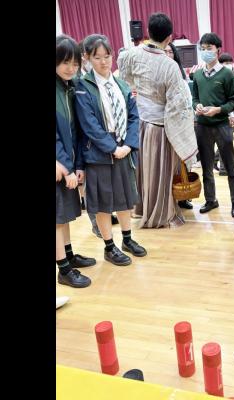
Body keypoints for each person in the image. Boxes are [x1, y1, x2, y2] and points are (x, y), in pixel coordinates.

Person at [119, 14, 199, 228]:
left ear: (148, 32)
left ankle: (143, 208)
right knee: (161, 172)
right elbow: (177, 104)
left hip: (140, 123)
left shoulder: (130, 55)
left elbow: (125, 80)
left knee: (145, 169)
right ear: (169, 37)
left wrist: (140, 92)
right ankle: (159, 212)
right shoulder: (170, 65)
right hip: (161, 127)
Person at [75, 34, 147, 265]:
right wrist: (112, 148)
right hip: (99, 153)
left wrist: (128, 145)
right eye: (97, 57)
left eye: (107, 56)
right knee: (103, 202)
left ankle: (127, 239)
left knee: (125, 198)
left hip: (123, 147)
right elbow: (89, 125)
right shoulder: (83, 87)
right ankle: (109, 246)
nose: (104, 62)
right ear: (87, 58)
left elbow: (134, 116)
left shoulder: (121, 84)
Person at [56, 35, 95, 288]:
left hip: (68, 164)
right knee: (57, 219)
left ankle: (69, 255)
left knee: (65, 215)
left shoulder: (70, 87)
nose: (71, 68)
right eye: (65, 63)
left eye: (75, 63)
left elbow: (76, 131)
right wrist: (65, 166)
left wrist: (78, 165)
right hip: (59, 165)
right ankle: (63, 269)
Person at [192, 32, 234, 218]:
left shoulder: (227, 74)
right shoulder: (197, 74)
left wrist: (219, 110)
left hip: (222, 126)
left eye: (209, 48)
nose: (205, 51)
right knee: (206, 167)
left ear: (218, 50)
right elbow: (194, 97)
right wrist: (196, 106)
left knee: (230, 167)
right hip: (202, 126)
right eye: (202, 48)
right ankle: (211, 200)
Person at [165, 41, 195, 211]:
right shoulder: (159, 74)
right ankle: (169, 198)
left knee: (183, 162)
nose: (168, 55)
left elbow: (188, 100)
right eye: (165, 52)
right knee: (168, 164)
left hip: (182, 124)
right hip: (166, 125)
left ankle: (184, 195)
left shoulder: (181, 77)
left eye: (170, 52)